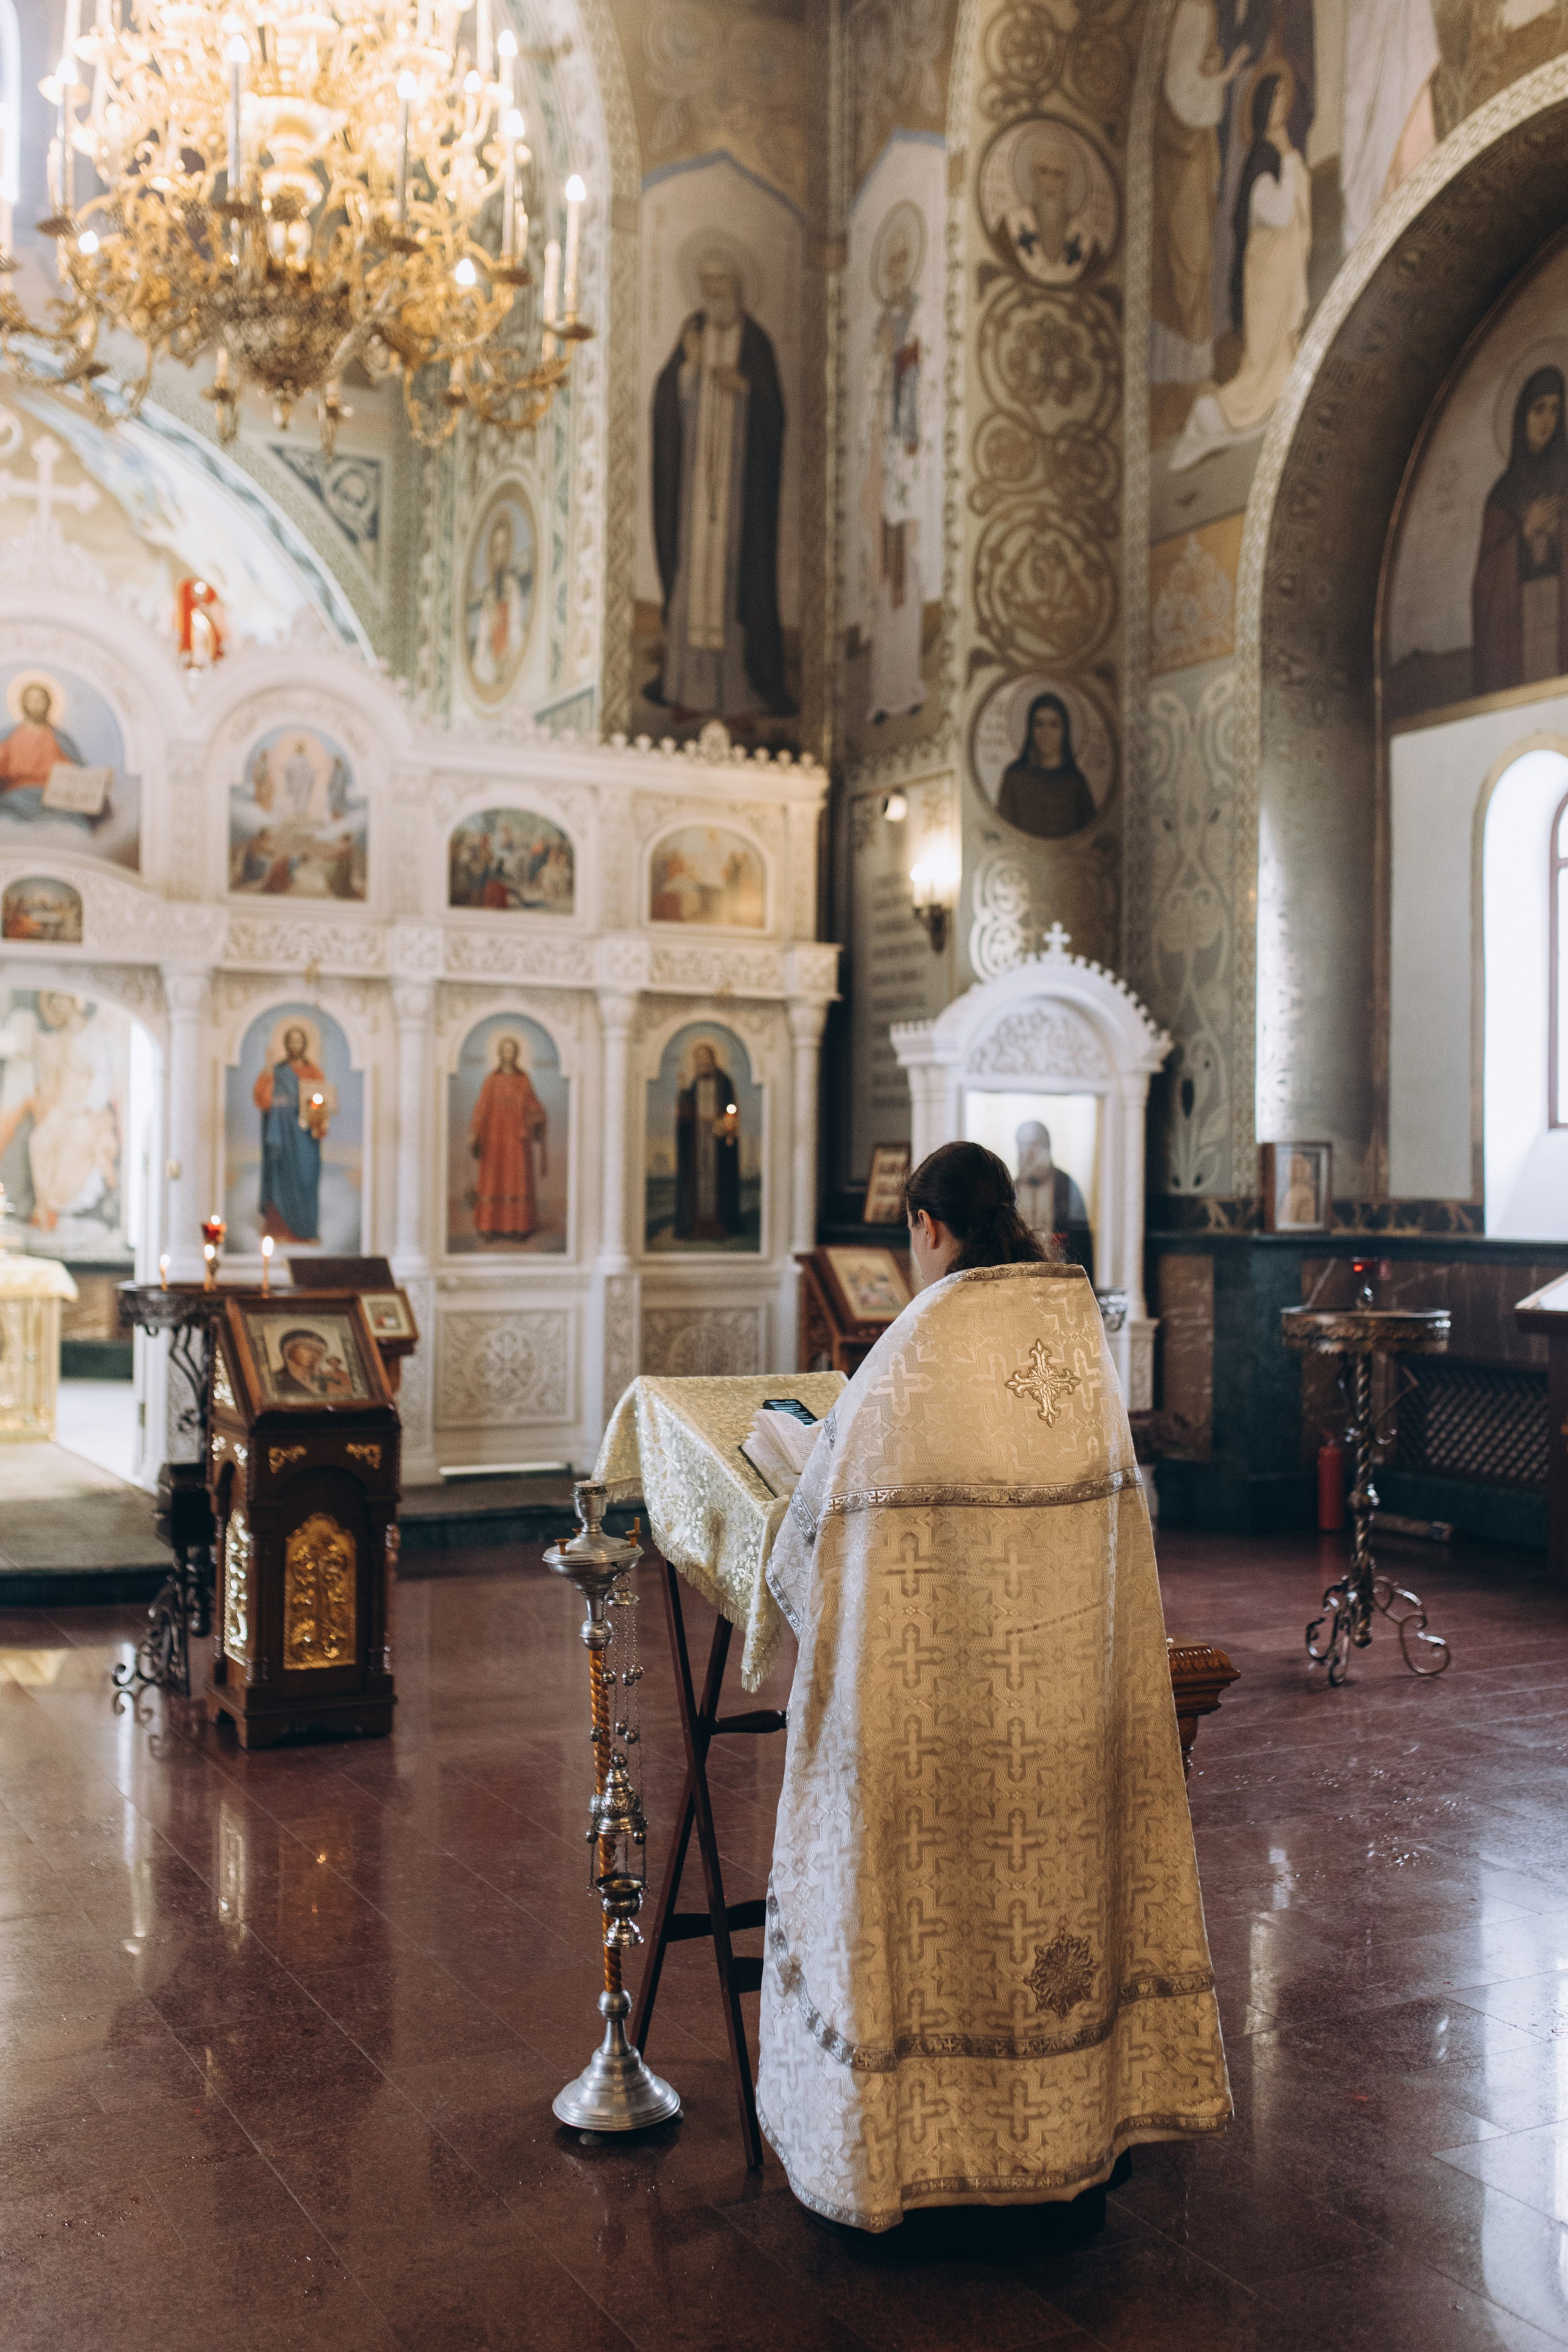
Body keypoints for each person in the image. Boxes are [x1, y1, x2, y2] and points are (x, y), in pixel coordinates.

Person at [756, 1140, 1230, 2233]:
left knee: (940, 1917)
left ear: (927, 1225)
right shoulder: (1072, 1325)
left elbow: (822, 1517)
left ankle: (919, 2160)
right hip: (1064, 1704)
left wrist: (792, 1470)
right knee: (1053, 1906)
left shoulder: (924, 1337)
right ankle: (1072, 2133)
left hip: (943, 1715)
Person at [649, 252, 793, 719]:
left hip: (737, 494)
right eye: (706, 285)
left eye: (721, 284)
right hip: (694, 488)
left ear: (737, 286)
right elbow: (665, 400)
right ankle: (685, 690)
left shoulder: (756, 344)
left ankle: (738, 696)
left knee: (734, 583)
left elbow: (776, 415)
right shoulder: (692, 334)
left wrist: (746, 390)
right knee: (693, 579)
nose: (714, 295)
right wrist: (689, 371)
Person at [1169, 67, 1310, 474]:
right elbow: (1277, 212)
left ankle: (1279, 397)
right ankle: (1210, 417)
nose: (1284, 105)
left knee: (1279, 356)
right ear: (1266, 106)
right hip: (1266, 276)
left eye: (1287, 97)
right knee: (1261, 362)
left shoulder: (1280, 152)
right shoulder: (1264, 156)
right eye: (1277, 98)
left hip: (1283, 271)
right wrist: (1293, 168)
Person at [861, 208, 927, 724]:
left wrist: (904, 360)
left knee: (910, 567)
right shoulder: (880, 330)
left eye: (907, 258)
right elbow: (870, 398)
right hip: (887, 463)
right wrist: (885, 362)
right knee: (884, 577)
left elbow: (923, 380)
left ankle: (908, 685)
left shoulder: (921, 317)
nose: (901, 268)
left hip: (911, 462)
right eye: (894, 261)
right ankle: (884, 692)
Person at [1472, 366, 1568, 695]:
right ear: (1522, 416)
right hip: (1521, 627)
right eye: (1538, 409)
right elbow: (1485, 585)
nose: (1547, 420)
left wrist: (1558, 535)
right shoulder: (1503, 495)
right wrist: (1525, 535)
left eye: (1555, 410)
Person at [254, 1022, 334, 1244]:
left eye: (299, 1040)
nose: (295, 1044)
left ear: (305, 1044)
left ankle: (306, 1230)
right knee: (280, 1179)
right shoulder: (276, 1071)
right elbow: (263, 1100)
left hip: (304, 1138)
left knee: (306, 1179)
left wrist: (316, 1111)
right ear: (286, 1044)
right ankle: (278, 1230)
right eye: (291, 1040)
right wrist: (269, 1069)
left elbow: (322, 1105)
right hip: (280, 1135)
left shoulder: (313, 1072)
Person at [467, 1034, 548, 1243]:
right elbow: (481, 1109)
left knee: (517, 1180)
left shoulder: (523, 1080)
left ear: (516, 1053)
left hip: (517, 1141)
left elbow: (534, 1106)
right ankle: (489, 1226)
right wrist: (474, 1133)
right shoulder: (491, 1081)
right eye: (505, 1050)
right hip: (494, 1140)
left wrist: (538, 1118)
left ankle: (518, 1228)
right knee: (493, 1181)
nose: (508, 1054)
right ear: (500, 1053)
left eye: (512, 1050)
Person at [997, 692, 1097, 839]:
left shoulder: (1076, 782)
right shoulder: (1015, 777)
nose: (1046, 733)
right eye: (1039, 724)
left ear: (1065, 731)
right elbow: (1004, 831)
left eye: (1054, 725)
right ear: (1030, 730)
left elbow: (1090, 832)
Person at [674, 1038, 741, 1240]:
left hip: (716, 1140)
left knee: (717, 1179)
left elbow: (731, 1112)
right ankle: (697, 1223)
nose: (702, 1063)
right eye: (699, 1060)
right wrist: (683, 1094)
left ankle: (720, 1222)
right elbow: (686, 1115)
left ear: (713, 1060)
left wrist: (727, 1123)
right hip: (698, 1140)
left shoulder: (724, 1082)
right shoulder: (694, 1084)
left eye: (706, 1059)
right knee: (698, 1178)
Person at [1014, 1118, 1095, 1280]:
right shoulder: (1012, 1188)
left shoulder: (1065, 1185)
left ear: (1047, 1147)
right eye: (1023, 1145)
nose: (1028, 1151)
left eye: (1034, 1144)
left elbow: (1080, 1242)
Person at [467, 510, 533, 696]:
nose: (499, 555)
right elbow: (482, 641)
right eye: (496, 548)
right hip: (489, 660)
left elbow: (514, 626)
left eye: (503, 547)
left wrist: (508, 652)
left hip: (510, 653)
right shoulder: (488, 596)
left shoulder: (512, 587)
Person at [0, 680, 87, 812]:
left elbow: (78, 772)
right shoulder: (10, 736)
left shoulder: (61, 739)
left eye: (41, 699)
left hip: (57, 800)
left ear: (48, 704)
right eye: (31, 699)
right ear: (24, 703)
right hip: (18, 797)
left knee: (76, 825)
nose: (36, 704)